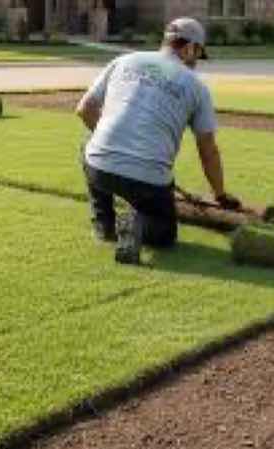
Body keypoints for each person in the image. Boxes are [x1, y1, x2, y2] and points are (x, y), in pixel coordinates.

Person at [76, 17, 240, 265]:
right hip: (149, 179)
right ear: (188, 48)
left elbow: (84, 109)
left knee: (89, 144)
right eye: (197, 54)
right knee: (164, 234)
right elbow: (208, 150)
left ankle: (105, 224)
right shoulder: (196, 87)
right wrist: (220, 194)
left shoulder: (124, 60)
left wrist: (107, 141)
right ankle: (138, 225)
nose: (196, 62)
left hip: (100, 167)